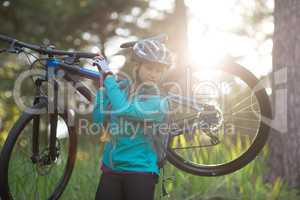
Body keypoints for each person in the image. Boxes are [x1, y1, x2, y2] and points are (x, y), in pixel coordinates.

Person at [92, 38, 173, 200]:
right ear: (137, 66)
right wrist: (103, 88)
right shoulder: (122, 88)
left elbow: (124, 109)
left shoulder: (160, 102)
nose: (154, 74)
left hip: (141, 171)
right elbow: (98, 119)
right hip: (111, 169)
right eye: (150, 68)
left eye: (159, 70)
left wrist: (108, 76)